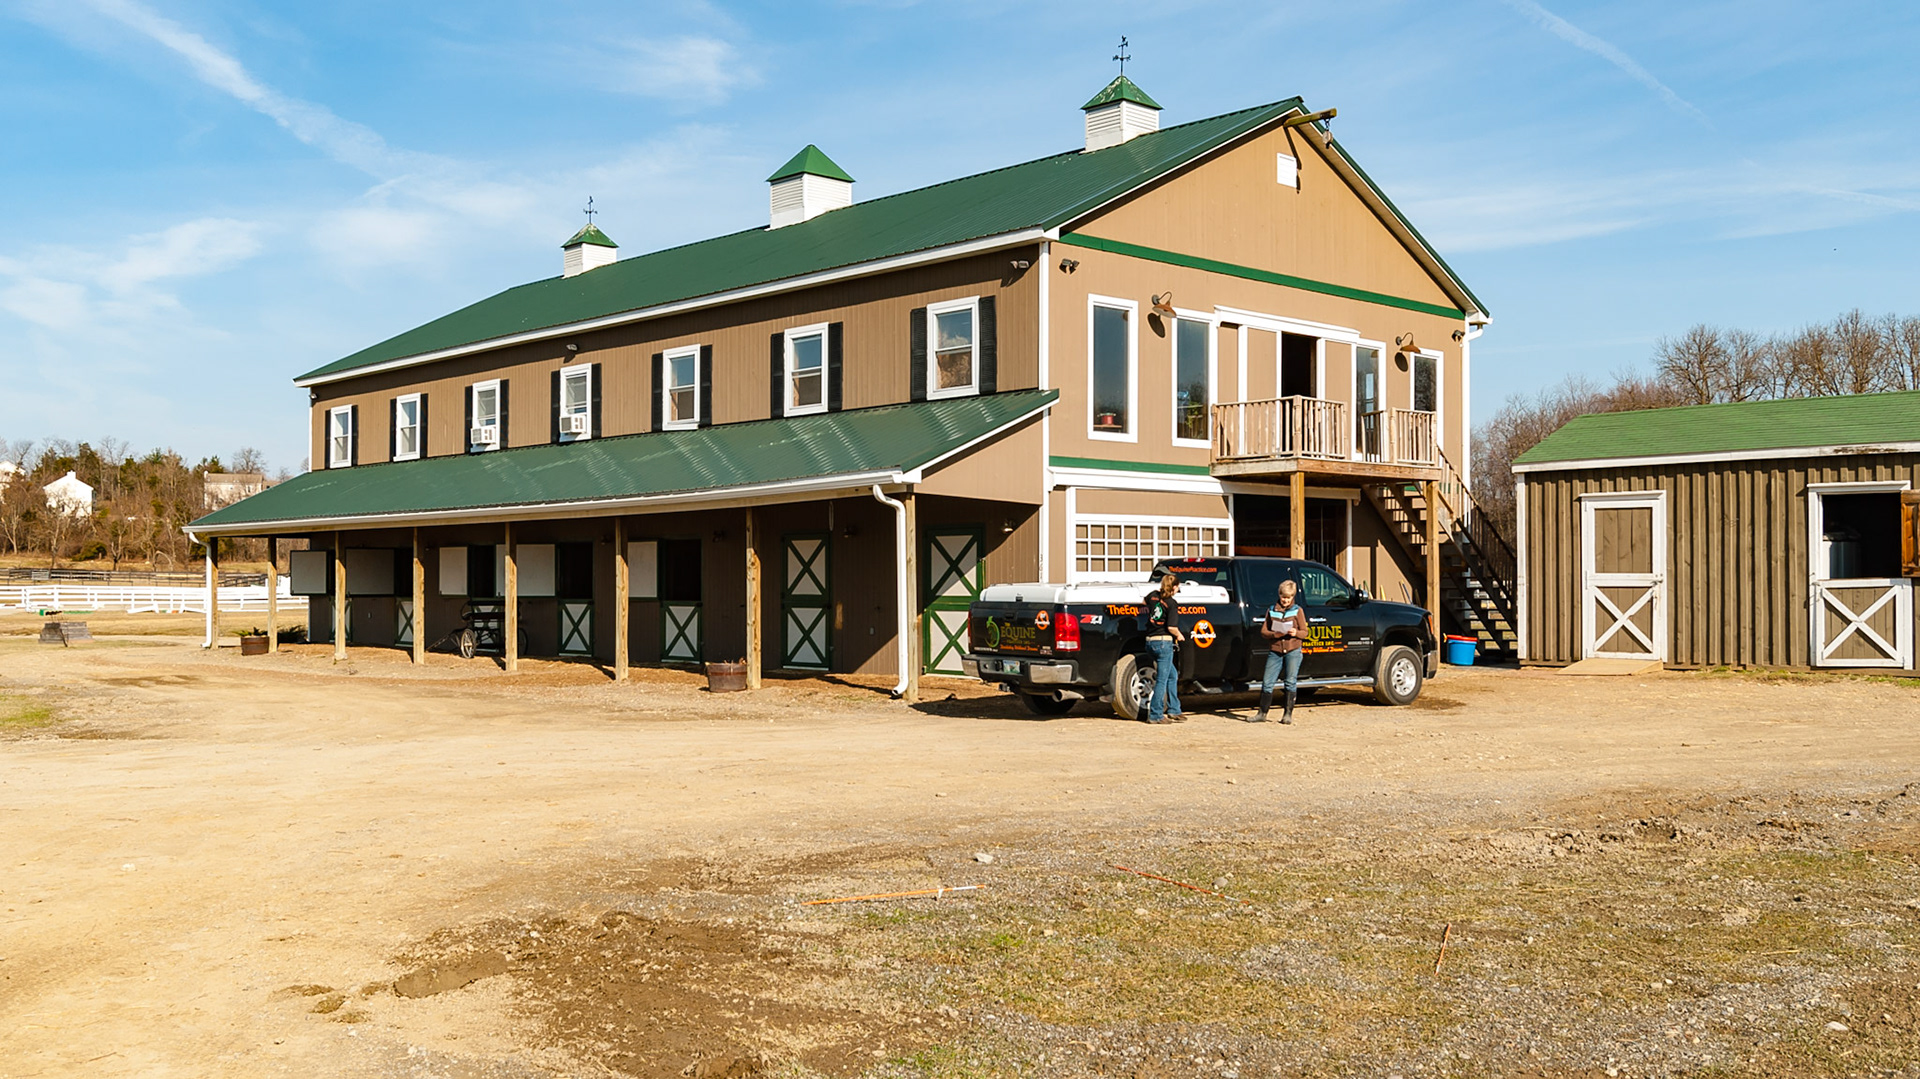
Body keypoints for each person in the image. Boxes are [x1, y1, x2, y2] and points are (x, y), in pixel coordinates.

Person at [1252, 579, 1306, 723]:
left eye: (1288, 598)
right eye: (1283, 597)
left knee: (1290, 681)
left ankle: (1287, 714)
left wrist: (1296, 633)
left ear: (1292, 597)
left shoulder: (1298, 610)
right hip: (1275, 650)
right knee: (1267, 681)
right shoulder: (1271, 610)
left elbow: (1305, 632)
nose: (1285, 600)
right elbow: (1264, 631)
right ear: (1279, 595)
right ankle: (1262, 713)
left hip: (1293, 650)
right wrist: (1274, 634)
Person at [1142, 573, 1187, 724]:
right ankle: (1156, 714)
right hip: (1163, 642)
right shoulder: (1172, 603)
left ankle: (1174, 709)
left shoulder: (1153, 596)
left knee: (1172, 675)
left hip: (1150, 642)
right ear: (1174, 587)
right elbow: (1172, 627)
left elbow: (1143, 602)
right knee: (1162, 679)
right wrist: (1180, 635)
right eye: (1178, 588)